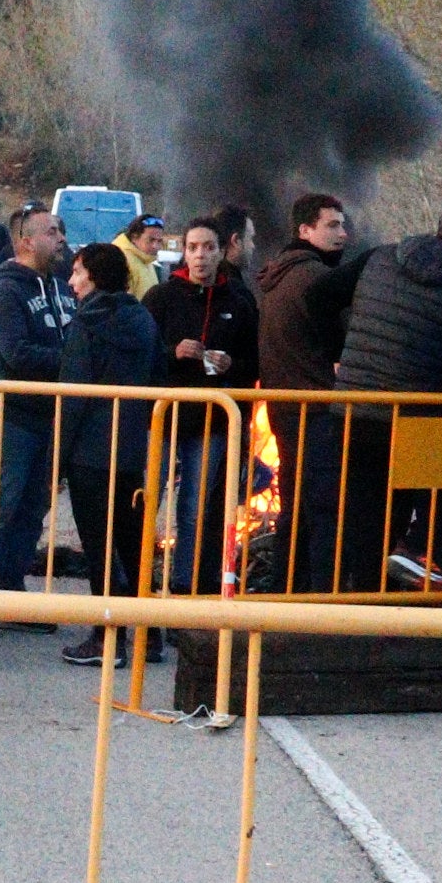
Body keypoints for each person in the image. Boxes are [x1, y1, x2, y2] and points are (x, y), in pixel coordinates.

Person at [328, 191, 442, 592]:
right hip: (414, 418)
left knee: (368, 515)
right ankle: (414, 551)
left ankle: (362, 607)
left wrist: (349, 346)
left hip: (353, 409)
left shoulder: (381, 256)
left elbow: (318, 297)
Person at [54, 238, 159, 665]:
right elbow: (157, 380)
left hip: (92, 455)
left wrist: (56, 459)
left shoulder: (86, 324)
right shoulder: (144, 319)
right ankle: (149, 634)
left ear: (94, 277)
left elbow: (73, 395)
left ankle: (104, 637)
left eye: (78, 272)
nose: (71, 280)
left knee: (100, 548)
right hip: (135, 449)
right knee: (135, 545)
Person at [0, 204, 79, 626]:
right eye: (51, 232)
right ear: (26, 241)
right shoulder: (6, 288)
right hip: (14, 414)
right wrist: (72, 362)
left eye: (60, 231)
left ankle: (13, 597)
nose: (61, 238)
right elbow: (14, 352)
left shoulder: (63, 284)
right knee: (3, 505)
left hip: (51, 416)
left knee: (33, 510)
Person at [148, 215, 256, 593]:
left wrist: (232, 364)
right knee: (148, 502)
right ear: (182, 252)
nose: (200, 256)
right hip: (162, 416)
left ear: (221, 252)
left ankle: (185, 589)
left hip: (211, 420)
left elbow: (254, 363)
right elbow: (142, 356)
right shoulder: (161, 296)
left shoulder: (240, 301)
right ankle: (139, 587)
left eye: (208, 248)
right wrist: (172, 352)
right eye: (192, 248)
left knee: (195, 509)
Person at [258, 192, 355, 587]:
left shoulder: (278, 274)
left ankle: (286, 590)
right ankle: (320, 601)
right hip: (315, 409)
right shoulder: (316, 278)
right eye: (331, 225)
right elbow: (344, 338)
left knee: (295, 507)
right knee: (324, 509)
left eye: (342, 224)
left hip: (286, 408)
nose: (342, 234)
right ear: (304, 229)